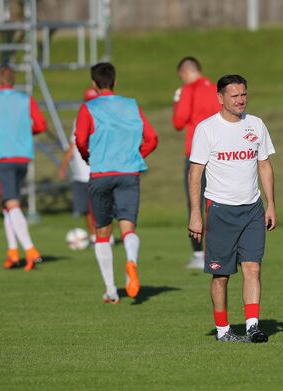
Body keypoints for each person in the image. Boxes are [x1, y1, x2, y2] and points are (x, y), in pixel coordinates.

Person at [188, 74, 277, 343]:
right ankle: (224, 330)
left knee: (253, 268)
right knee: (222, 274)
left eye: (244, 94)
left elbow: (264, 165)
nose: (240, 100)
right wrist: (195, 213)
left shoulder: (256, 125)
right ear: (220, 98)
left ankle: (252, 326)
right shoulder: (207, 129)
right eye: (234, 95)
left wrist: (271, 204)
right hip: (220, 210)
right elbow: (195, 174)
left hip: (252, 209)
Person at [75, 62, 158, 304]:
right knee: (128, 228)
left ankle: (111, 290)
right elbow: (152, 138)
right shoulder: (131, 105)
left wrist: (88, 156)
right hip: (129, 173)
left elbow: (80, 140)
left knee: (102, 231)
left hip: (101, 173)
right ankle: (131, 261)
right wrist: (135, 156)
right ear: (114, 81)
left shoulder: (89, 108)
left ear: (93, 83)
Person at [0, 65, 46, 271]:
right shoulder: (26, 99)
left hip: (2, 157)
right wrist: (23, 130)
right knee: (8, 204)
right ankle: (12, 252)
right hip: (23, 156)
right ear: (13, 82)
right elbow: (40, 125)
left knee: (11, 203)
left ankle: (30, 250)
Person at [172, 56, 220, 269]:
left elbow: (178, 122)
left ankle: (200, 254)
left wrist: (177, 100)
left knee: (196, 203)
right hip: (220, 153)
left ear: (184, 73)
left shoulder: (188, 90)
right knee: (219, 202)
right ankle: (221, 250)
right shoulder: (218, 89)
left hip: (196, 154)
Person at [58, 88, 97, 243]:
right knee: (86, 210)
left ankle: (104, 238)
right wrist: (64, 165)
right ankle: (95, 237)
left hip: (98, 171)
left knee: (101, 208)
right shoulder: (81, 117)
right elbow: (74, 144)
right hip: (82, 172)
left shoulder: (105, 117)